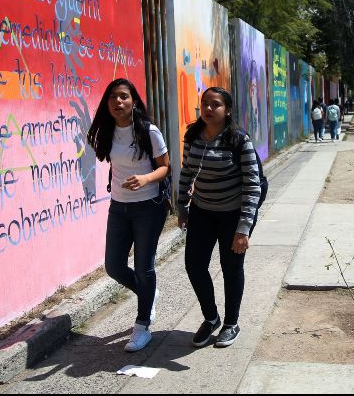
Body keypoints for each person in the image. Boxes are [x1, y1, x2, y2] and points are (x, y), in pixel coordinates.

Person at [86, 78, 170, 352]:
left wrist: (146, 179)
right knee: (114, 266)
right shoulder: (108, 131)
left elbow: (165, 168)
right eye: (113, 97)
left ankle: (142, 326)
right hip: (119, 207)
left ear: (134, 101)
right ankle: (149, 293)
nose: (118, 102)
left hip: (148, 206)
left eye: (123, 96)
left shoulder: (148, 131)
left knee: (145, 266)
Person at [177, 87, 261, 348]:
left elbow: (252, 184)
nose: (208, 109)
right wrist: (182, 206)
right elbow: (187, 172)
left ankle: (231, 323)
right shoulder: (193, 135)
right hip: (203, 211)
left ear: (228, 110)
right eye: (204, 104)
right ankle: (211, 317)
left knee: (231, 267)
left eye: (215, 105)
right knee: (194, 265)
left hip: (233, 215)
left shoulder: (238, 139)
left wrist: (244, 228)